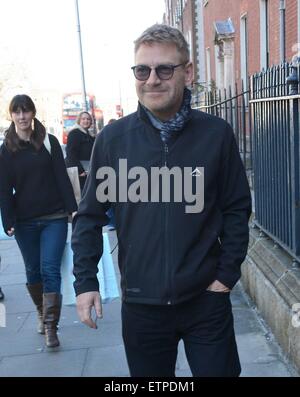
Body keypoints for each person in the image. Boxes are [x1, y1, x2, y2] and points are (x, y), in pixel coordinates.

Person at [72, 24, 252, 377]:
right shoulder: (113, 140)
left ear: (187, 72)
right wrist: (85, 283)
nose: (152, 79)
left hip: (206, 300)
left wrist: (226, 275)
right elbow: (90, 217)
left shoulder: (215, 135)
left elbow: (236, 208)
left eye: (164, 69)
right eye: (143, 70)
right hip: (142, 305)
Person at [0, 95, 77, 348]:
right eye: (17, 112)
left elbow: (61, 178)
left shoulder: (49, 142)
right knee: (33, 270)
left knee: (49, 268)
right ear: (12, 115)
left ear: (33, 113)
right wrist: (8, 219)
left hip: (54, 216)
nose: (22, 117)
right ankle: (41, 311)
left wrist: (73, 210)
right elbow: (4, 188)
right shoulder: (7, 148)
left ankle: (50, 327)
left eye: (26, 111)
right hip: (24, 221)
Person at [65, 111, 96, 191]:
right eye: (83, 119)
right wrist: (80, 170)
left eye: (88, 119)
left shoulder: (89, 135)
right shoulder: (74, 133)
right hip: (79, 171)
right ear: (79, 120)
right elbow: (70, 153)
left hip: (87, 169)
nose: (86, 121)